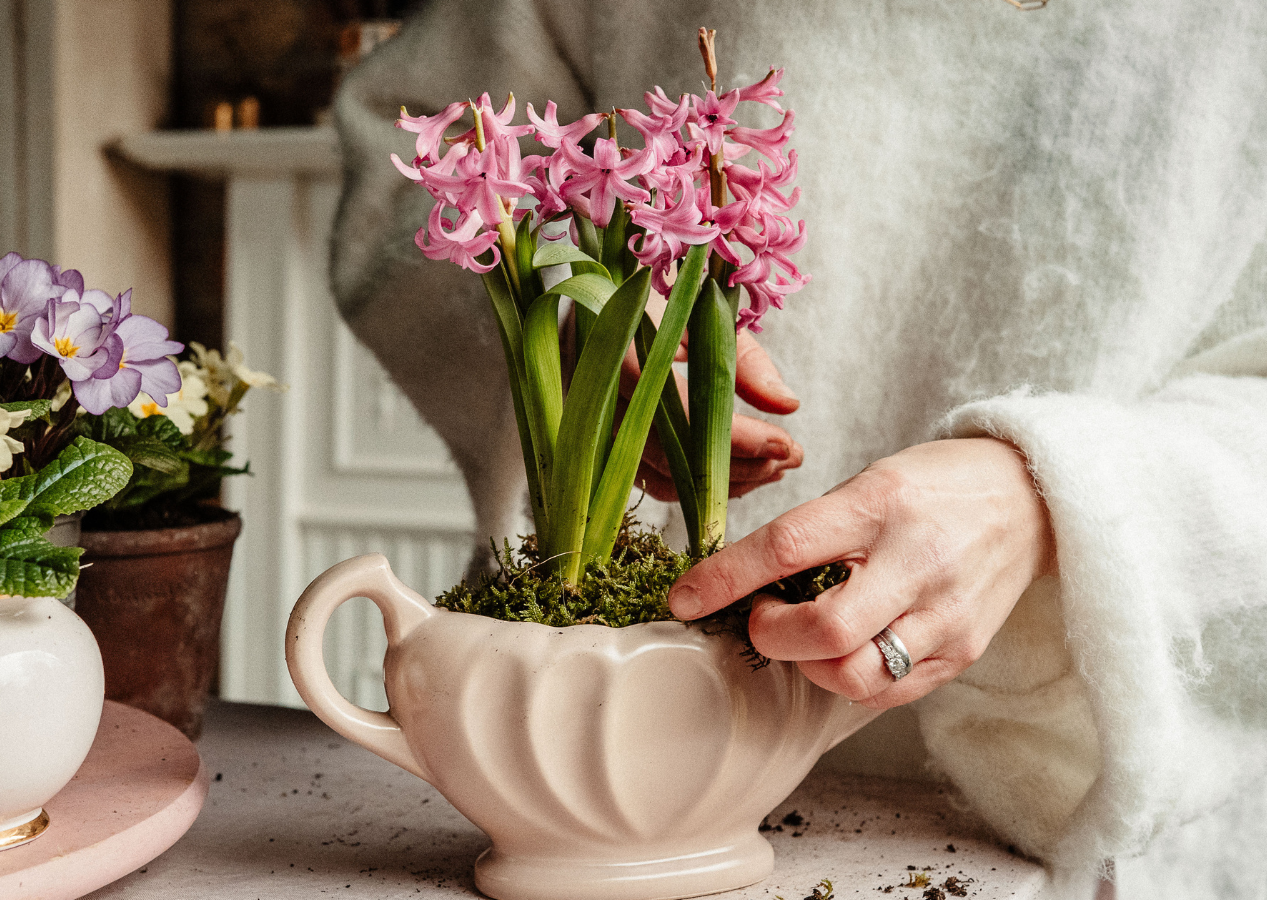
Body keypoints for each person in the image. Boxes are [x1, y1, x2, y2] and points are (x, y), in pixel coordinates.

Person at [328, 2, 1267, 897]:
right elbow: (405, 145)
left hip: (1079, 800)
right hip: (613, 758)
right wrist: (585, 332)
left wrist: (1058, 497)